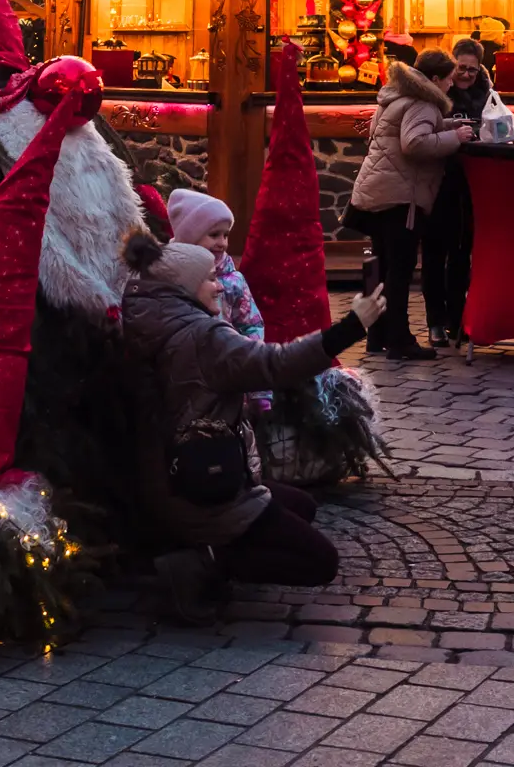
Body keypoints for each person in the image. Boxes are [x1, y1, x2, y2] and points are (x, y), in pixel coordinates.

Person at [122, 230, 386, 618]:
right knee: (320, 562)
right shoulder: (201, 337)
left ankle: (200, 549)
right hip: (205, 490)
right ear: (183, 287)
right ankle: (204, 564)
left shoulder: (146, 321)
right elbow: (274, 364)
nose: (218, 286)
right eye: (210, 279)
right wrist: (350, 328)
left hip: (167, 481)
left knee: (302, 506)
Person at [349, 48, 472, 360]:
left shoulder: (397, 96)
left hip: (379, 191)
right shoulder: (423, 102)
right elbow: (414, 142)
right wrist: (456, 137)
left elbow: (400, 131)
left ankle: (377, 336)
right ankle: (400, 340)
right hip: (401, 196)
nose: (451, 85)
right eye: (448, 79)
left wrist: (448, 127)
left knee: (383, 267)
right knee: (399, 270)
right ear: (434, 79)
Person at [167, 187, 269, 409]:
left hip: (228, 370)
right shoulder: (171, 278)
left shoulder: (234, 281)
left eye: (225, 235)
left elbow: (251, 327)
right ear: (189, 237)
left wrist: (257, 386)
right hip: (186, 378)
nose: (222, 243)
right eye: (214, 235)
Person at [421, 38, 487, 347]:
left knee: (462, 254)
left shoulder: (486, 94)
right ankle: (436, 321)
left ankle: (458, 318)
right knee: (435, 253)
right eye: (461, 68)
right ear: (452, 64)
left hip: (469, 182)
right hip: (438, 180)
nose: (466, 75)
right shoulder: (435, 95)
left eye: (473, 70)